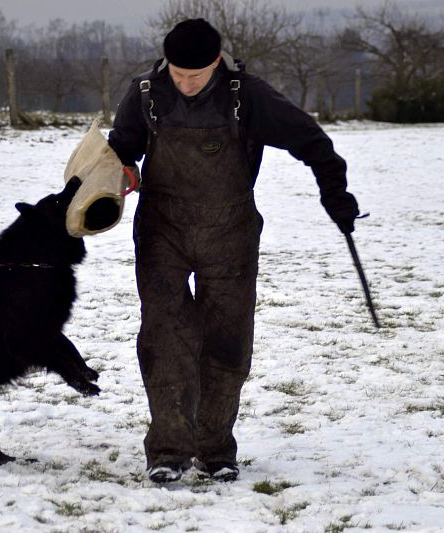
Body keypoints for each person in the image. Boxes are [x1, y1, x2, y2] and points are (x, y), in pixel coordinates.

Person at [107, 18, 359, 483]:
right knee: (165, 338)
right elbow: (121, 148)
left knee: (228, 341)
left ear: (217, 62)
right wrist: (121, 176)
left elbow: (312, 141)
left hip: (231, 234)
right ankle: (167, 450)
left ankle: (216, 448)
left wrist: (335, 194)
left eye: (196, 75)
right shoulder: (145, 93)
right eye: (178, 74)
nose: (185, 84)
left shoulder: (248, 96)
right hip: (162, 231)